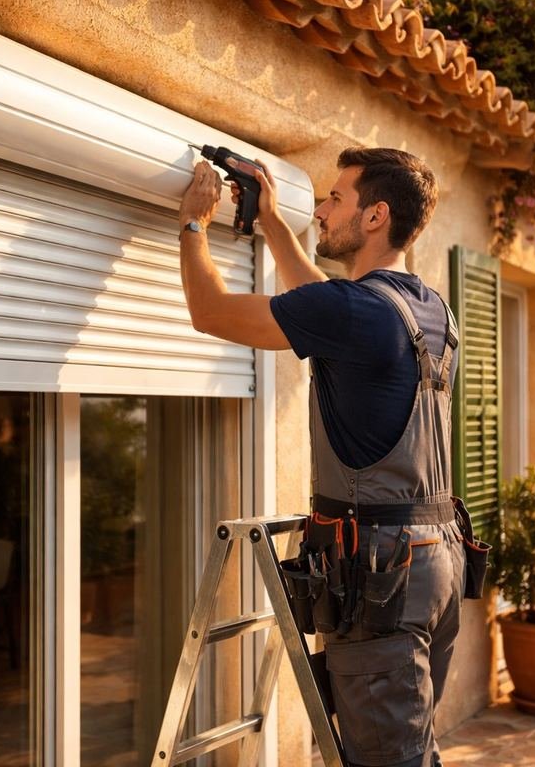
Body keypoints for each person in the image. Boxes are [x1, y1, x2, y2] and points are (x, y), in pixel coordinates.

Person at [177, 147, 465, 767]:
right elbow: (325, 308)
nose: (324, 208)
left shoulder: (355, 309)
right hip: (437, 561)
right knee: (410, 749)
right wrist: (273, 225)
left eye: (336, 198)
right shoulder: (430, 311)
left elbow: (211, 312)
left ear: (375, 216)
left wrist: (195, 223)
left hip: (384, 574)